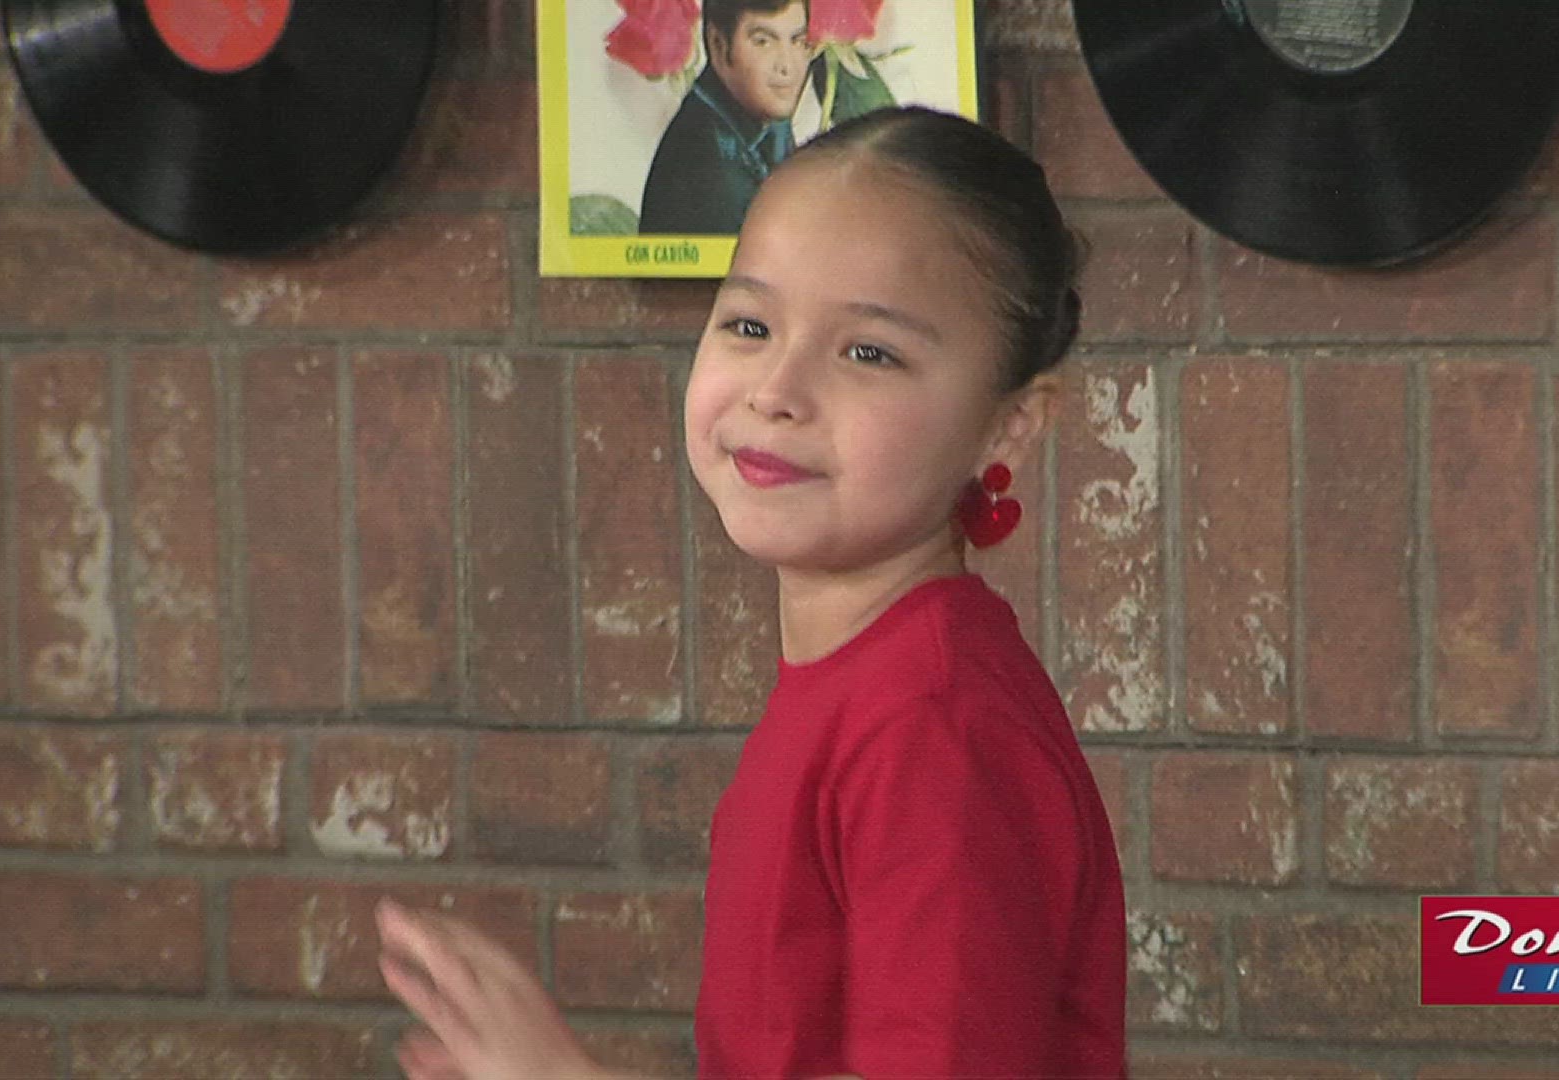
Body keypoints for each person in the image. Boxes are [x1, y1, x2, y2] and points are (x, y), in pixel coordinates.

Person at [374, 106, 1129, 1079]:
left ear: (1010, 429)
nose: (777, 388)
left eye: (868, 351)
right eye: (749, 323)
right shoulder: (872, 676)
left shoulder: (933, 726)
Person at [639, 0, 813, 235]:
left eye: (798, 41)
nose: (787, 66)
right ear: (718, 44)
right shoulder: (706, 164)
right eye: (763, 42)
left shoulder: (763, 111)